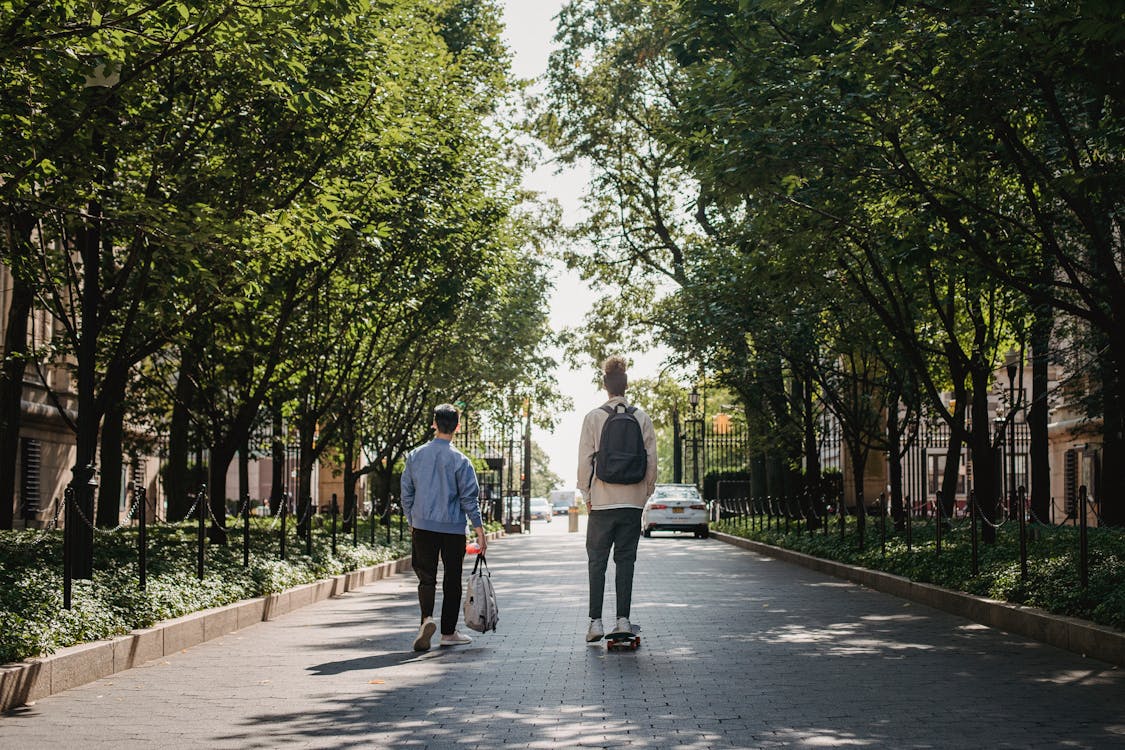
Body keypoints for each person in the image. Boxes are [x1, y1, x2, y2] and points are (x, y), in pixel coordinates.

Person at [577, 356, 657, 642]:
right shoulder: (642, 417)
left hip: (602, 501)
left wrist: (587, 494)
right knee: (626, 561)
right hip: (631, 503)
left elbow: (585, 461)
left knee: (597, 561)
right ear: (626, 384)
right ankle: (623, 619)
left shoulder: (594, 417)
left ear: (605, 386)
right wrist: (644, 493)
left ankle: (595, 623)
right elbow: (651, 461)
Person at [401, 403, 488, 651]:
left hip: (423, 527)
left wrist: (412, 520)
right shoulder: (460, 460)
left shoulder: (415, 456)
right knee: (452, 580)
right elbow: (469, 499)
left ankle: (426, 619)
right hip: (452, 529)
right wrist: (480, 532)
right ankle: (448, 633)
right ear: (457, 428)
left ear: (433, 424)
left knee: (426, 578)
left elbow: (406, 492)